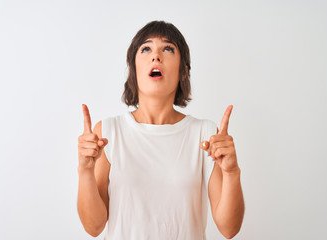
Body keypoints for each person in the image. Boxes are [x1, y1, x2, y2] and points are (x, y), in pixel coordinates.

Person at [77, 20, 244, 239]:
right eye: (146, 49)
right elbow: (94, 227)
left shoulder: (204, 133)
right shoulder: (109, 131)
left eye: (168, 48)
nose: (156, 56)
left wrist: (232, 172)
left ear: (183, 71)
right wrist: (85, 171)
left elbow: (228, 228)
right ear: (134, 69)